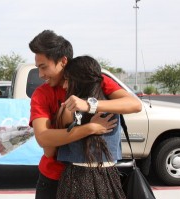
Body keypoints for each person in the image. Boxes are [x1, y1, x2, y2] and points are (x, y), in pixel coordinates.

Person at [28, 30, 142, 199]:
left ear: (63, 61)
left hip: (98, 177)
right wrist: (90, 128)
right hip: (54, 179)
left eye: (44, 67)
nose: (41, 74)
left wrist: (90, 105)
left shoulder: (95, 80)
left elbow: (134, 104)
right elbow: (44, 139)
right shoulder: (42, 94)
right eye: (38, 68)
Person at [55, 55, 126, 199]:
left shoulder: (68, 109)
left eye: (68, 80)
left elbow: (56, 142)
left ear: (79, 81)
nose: (64, 86)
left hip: (76, 178)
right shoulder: (115, 105)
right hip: (109, 177)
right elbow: (136, 105)